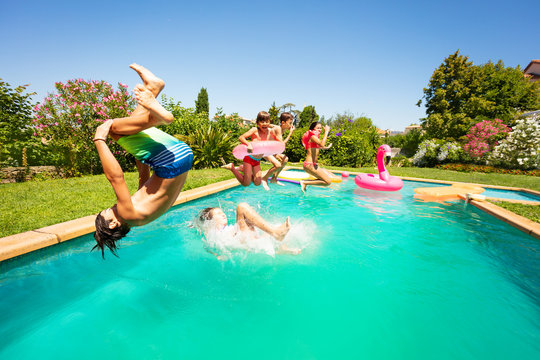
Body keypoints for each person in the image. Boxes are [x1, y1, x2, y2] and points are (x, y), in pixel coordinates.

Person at [93, 64, 193, 257]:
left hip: (181, 157)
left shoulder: (140, 217)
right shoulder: (127, 214)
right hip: (169, 163)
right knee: (113, 129)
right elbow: (116, 178)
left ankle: (153, 88)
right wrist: (99, 140)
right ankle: (156, 117)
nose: (111, 207)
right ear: (113, 223)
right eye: (107, 211)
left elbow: (143, 178)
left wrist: (139, 153)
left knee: (129, 129)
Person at [198, 203, 299, 256]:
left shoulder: (227, 228)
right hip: (240, 241)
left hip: (243, 240)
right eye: (218, 214)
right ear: (210, 221)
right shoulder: (212, 231)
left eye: (222, 212)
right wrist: (216, 255)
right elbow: (207, 245)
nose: (223, 214)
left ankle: (282, 248)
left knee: (262, 229)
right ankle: (275, 233)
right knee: (241, 207)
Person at [221, 111, 277, 187]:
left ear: (269, 123)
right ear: (258, 123)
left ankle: (242, 169)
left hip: (257, 160)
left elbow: (276, 139)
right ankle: (232, 168)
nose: (264, 124)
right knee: (246, 183)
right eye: (262, 122)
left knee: (257, 183)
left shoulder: (270, 132)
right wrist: (249, 144)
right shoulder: (255, 130)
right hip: (249, 158)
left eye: (267, 122)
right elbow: (241, 137)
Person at [261, 112, 295, 190]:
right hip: (264, 149)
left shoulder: (280, 128)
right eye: (290, 123)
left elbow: (272, 126)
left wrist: (269, 125)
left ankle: (274, 178)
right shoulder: (278, 129)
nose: (291, 125)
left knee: (285, 159)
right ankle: (264, 178)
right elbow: (282, 145)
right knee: (278, 165)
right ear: (283, 122)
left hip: (271, 150)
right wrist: (290, 134)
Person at [300, 121, 333, 193]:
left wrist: (326, 147)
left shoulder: (315, 138)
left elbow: (318, 147)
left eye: (321, 128)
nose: (320, 130)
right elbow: (321, 144)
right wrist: (326, 132)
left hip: (312, 165)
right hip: (309, 165)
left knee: (325, 181)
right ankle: (304, 182)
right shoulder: (312, 136)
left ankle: (305, 183)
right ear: (313, 129)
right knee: (327, 182)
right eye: (318, 128)